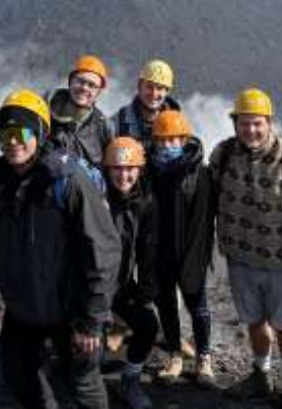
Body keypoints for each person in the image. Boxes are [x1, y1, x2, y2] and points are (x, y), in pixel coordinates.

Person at [0, 89, 121, 409]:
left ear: (40, 134)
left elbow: (103, 251)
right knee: (20, 376)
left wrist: (91, 320)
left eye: (21, 133)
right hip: (22, 307)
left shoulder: (68, 180)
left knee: (83, 383)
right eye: (5, 134)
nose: (13, 142)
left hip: (71, 309)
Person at [210, 88, 282, 409]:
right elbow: (208, 194)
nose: (251, 130)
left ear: (269, 122)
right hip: (240, 257)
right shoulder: (224, 153)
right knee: (254, 320)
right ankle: (261, 375)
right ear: (235, 124)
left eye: (257, 123)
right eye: (244, 123)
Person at [147, 109, 217, 387]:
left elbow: (203, 222)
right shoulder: (149, 170)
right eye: (161, 140)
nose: (167, 145)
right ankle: (175, 355)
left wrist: (195, 260)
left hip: (190, 253)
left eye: (173, 139)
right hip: (160, 252)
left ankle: (204, 358)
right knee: (166, 306)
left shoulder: (199, 173)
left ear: (184, 139)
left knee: (198, 306)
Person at [103, 137, 160, 409]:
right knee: (88, 348)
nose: (123, 175)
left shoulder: (145, 203)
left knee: (148, 325)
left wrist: (146, 292)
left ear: (139, 170)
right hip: (92, 286)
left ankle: (130, 380)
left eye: (130, 168)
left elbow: (148, 249)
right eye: (117, 168)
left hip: (122, 284)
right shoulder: (96, 199)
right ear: (107, 169)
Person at [46, 54, 115, 168]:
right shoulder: (44, 108)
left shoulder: (103, 127)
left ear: (98, 93)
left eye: (92, 85)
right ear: (70, 82)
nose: (84, 88)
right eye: (80, 81)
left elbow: (111, 168)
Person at [113, 59, 181, 154]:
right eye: (149, 87)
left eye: (160, 88)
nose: (154, 94)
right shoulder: (119, 121)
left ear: (167, 92)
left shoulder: (178, 123)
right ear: (139, 87)